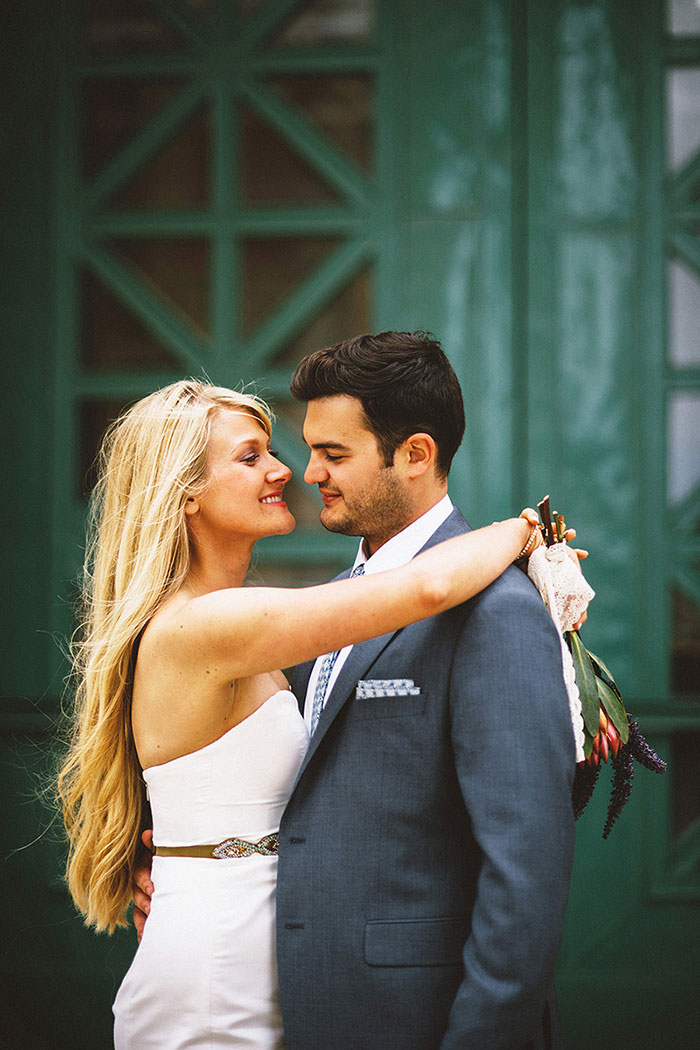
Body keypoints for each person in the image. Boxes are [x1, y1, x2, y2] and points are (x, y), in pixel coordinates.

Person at [57, 375, 554, 1050]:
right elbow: (430, 583)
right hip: (217, 974)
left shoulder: (254, 627)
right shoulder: (211, 627)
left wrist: (184, 858)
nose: (284, 470)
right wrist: (527, 530)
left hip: (273, 961)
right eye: (250, 456)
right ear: (186, 496)